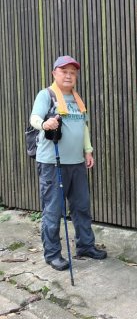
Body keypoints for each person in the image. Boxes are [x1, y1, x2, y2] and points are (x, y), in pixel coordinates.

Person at [30, 55, 107, 271]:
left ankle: (85, 246)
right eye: (64, 71)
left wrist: (88, 150)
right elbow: (34, 118)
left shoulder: (76, 99)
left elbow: (83, 127)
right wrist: (45, 123)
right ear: (55, 73)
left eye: (73, 72)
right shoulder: (47, 95)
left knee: (81, 207)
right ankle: (53, 254)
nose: (69, 75)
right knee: (53, 210)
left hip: (77, 163)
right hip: (52, 164)